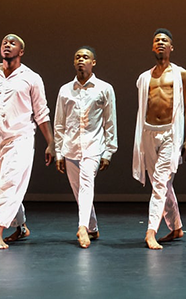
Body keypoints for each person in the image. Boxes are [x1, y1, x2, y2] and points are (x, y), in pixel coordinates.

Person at [0, 34, 55, 249]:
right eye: (4, 42)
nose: (7, 45)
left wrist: (50, 143)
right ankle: (21, 226)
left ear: (21, 52)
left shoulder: (32, 78)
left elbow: (41, 113)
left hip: (19, 138)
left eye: (13, 43)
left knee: (10, 183)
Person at [133, 29, 186, 250]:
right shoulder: (144, 78)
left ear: (171, 47)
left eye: (164, 40)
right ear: (152, 47)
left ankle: (151, 231)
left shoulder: (181, 75)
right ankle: (176, 226)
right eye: (156, 40)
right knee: (162, 183)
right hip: (149, 133)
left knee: (159, 182)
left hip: (170, 133)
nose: (160, 43)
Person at [54, 46, 117, 248]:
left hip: (93, 146)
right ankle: (92, 227)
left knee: (86, 185)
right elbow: (59, 124)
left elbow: (110, 121)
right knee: (78, 190)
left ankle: (82, 228)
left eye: (85, 57)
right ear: (74, 62)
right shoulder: (65, 90)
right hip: (71, 147)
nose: (81, 60)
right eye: (77, 57)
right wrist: (58, 152)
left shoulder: (104, 88)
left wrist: (108, 151)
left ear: (94, 62)